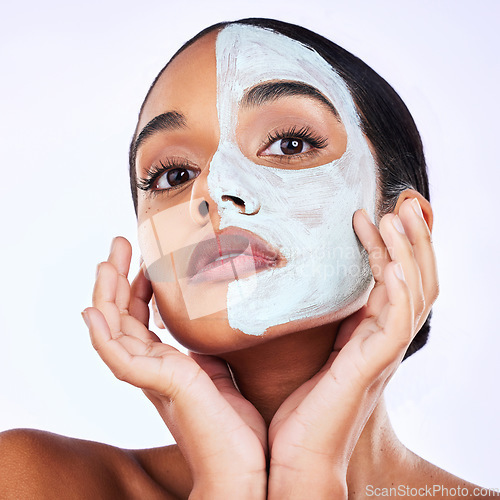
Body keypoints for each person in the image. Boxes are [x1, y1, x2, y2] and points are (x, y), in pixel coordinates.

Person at [0, 17, 495, 499]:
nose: (214, 189)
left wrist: (310, 474)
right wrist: (225, 487)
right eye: (172, 175)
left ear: (404, 231)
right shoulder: (27, 481)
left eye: (289, 144)